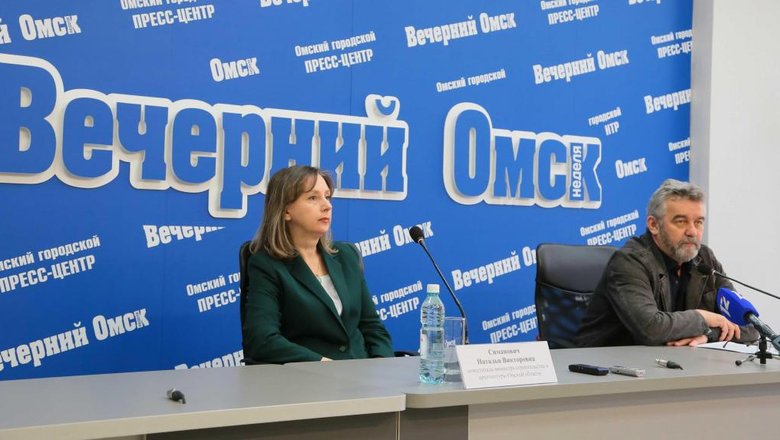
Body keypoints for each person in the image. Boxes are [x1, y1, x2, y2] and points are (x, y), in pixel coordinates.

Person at [575, 179, 758, 347]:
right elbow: (652, 329)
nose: (692, 232)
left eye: (698, 222)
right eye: (681, 221)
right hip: (606, 364)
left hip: (672, 363)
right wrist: (702, 318)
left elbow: (751, 326)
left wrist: (709, 335)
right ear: (653, 225)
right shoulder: (630, 261)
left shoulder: (705, 259)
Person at [242, 165, 394, 363]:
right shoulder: (267, 265)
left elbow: (372, 327)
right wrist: (322, 364)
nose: (327, 206)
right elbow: (262, 340)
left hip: (360, 372)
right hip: (308, 377)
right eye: (313, 198)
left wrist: (383, 364)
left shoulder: (346, 256)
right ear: (286, 210)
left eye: (327, 197)